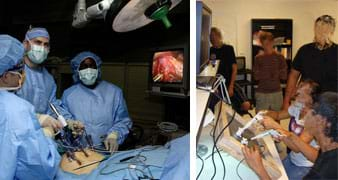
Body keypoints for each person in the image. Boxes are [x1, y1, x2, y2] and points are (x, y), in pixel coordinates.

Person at [0, 34, 61, 179]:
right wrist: (46, 138)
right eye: (20, 68)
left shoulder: (48, 80)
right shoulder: (17, 109)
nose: (23, 73)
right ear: (6, 76)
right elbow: (40, 168)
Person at [242, 92, 338, 180]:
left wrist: (259, 168)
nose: (306, 112)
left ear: (322, 122)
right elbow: (316, 157)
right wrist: (290, 136)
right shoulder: (329, 148)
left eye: (312, 111)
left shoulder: (321, 174)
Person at [61, 51, 132, 153]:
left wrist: (114, 135)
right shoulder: (68, 94)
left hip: (106, 151)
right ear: (77, 70)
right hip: (79, 152)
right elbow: (64, 121)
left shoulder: (114, 92)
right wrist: (71, 127)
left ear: (98, 68)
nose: (89, 70)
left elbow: (123, 120)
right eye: (84, 66)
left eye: (92, 66)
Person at [261, 80, 321, 179]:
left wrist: (276, 126)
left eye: (301, 92)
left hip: (305, 165)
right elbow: (278, 115)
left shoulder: (314, 118)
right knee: (275, 175)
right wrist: (264, 113)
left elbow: (297, 147)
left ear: (311, 98)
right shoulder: (298, 106)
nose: (296, 93)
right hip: (292, 157)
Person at [282, 15, 337, 110]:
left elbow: (293, 75)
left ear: (331, 31)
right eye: (320, 28)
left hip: (331, 105)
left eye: (325, 28)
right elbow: (293, 75)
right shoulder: (304, 50)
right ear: (315, 29)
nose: (322, 32)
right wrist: (286, 100)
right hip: (306, 103)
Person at [15, 27, 71, 119]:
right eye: (38, 42)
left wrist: (66, 121)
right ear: (25, 44)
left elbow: (52, 106)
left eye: (46, 44)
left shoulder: (48, 79)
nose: (42, 47)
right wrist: (38, 119)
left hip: (39, 131)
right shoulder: (14, 72)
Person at [209, 27, 251, 114]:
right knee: (221, 109)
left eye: (214, 36)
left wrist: (231, 87)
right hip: (217, 85)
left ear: (219, 36)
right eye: (210, 37)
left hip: (229, 83)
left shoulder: (228, 48)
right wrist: (213, 85)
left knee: (246, 105)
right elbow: (210, 69)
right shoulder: (210, 51)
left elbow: (234, 69)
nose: (212, 39)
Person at [253, 31, 287, 112]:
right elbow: (256, 77)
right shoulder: (258, 58)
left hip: (276, 93)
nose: (267, 47)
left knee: (276, 119)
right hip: (262, 93)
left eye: (268, 44)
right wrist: (270, 73)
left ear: (273, 42)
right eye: (264, 44)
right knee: (260, 120)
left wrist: (273, 73)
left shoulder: (280, 57)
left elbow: (284, 76)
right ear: (261, 44)